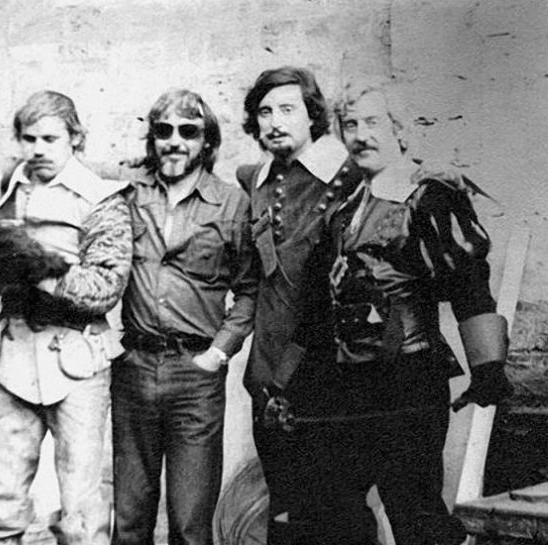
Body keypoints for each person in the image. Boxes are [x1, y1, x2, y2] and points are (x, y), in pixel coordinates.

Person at [325, 84, 513, 544]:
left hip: (408, 377)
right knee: (340, 510)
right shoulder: (347, 206)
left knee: (415, 512)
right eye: (351, 125)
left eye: (374, 122)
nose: (361, 135)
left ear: (400, 131)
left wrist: (487, 368)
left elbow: (468, 283)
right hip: (351, 381)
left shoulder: (429, 197)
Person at [0, 90, 132, 545]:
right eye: (29, 139)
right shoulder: (3, 196)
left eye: (50, 139)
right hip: (12, 353)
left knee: (81, 504)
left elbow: (106, 286)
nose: (38, 149)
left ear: (75, 138)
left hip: (75, 357)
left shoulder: (100, 199)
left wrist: (41, 270)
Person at [111, 89, 257, 545]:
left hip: (195, 378)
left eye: (188, 132)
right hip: (133, 370)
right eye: (164, 131)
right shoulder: (128, 194)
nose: (175, 141)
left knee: (190, 523)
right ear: (152, 139)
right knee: (129, 520)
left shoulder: (232, 204)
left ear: (206, 142)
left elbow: (250, 292)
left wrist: (217, 354)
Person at [236, 66, 370, 545]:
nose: (275, 122)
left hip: (329, 370)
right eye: (265, 112)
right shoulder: (254, 180)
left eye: (287, 109)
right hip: (267, 372)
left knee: (339, 510)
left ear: (313, 115)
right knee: (285, 507)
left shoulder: (348, 175)